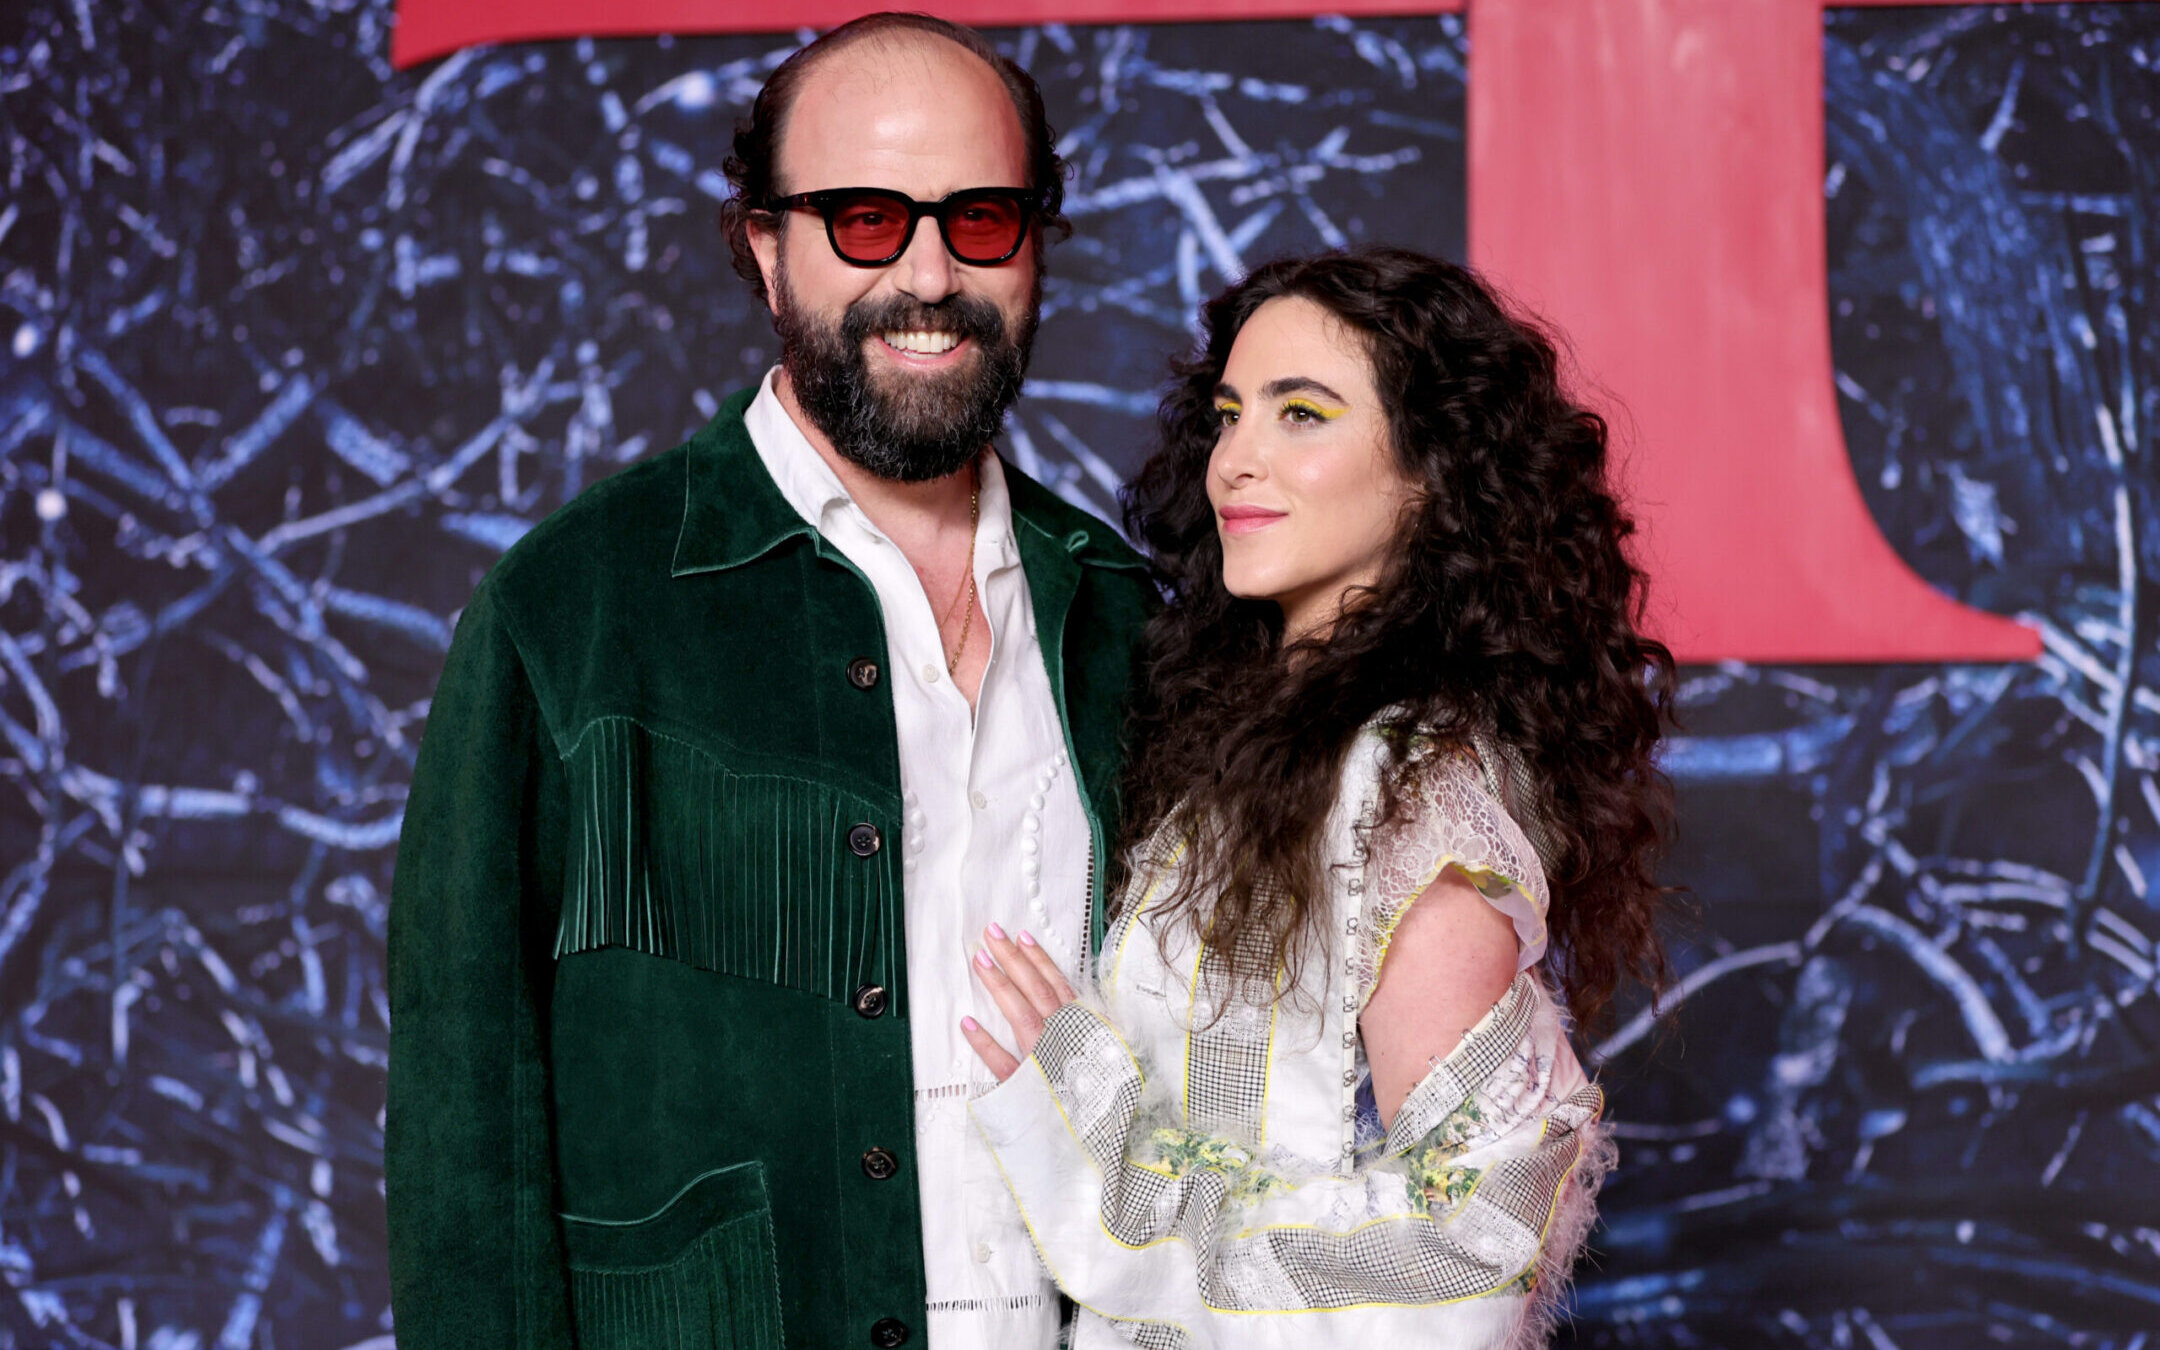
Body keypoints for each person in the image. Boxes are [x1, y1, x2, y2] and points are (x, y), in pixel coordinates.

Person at [384, 15, 1155, 1350]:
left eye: (981, 219)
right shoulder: (570, 614)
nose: (929, 274)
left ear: (1038, 244)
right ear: (760, 240)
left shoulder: (1130, 623)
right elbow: (466, 1145)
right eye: (865, 218)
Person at [960, 248, 1676, 1348]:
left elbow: (1475, 1252)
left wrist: (1103, 1152)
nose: (1237, 458)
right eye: (1230, 413)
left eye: (1303, 415)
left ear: (1430, 471)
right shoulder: (1242, 741)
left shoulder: (1411, 792)